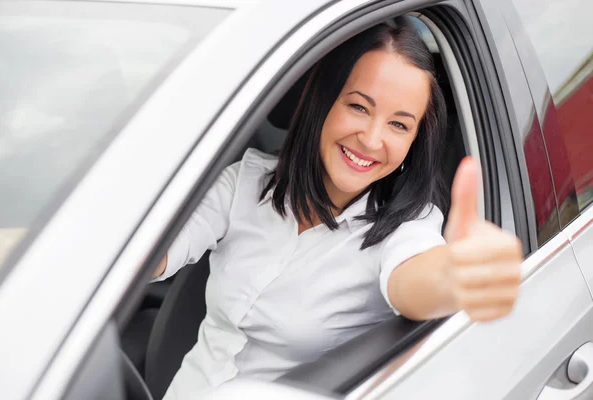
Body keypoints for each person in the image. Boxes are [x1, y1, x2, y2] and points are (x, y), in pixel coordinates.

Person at [151, 18, 523, 399]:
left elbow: (416, 277)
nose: (372, 139)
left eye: (398, 125)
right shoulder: (244, 184)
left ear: (415, 140)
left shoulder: (408, 225)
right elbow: (151, 250)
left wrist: (456, 276)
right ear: (322, 101)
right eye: (359, 107)